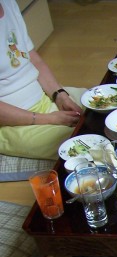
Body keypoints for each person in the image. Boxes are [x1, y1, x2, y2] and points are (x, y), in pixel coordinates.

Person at [0, 0, 85, 161]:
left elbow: (34, 60)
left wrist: (60, 95)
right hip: (12, 123)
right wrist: (49, 119)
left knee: (98, 101)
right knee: (79, 141)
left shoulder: (9, 3)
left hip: (43, 99)